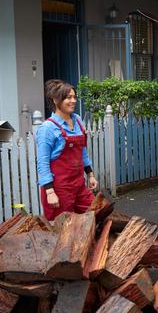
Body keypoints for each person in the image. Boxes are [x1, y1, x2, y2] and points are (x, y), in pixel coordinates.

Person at [37, 79, 98, 221]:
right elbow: (42, 163)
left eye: (74, 97)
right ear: (55, 100)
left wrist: (90, 174)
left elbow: (82, 150)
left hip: (79, 185)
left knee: (94, 214)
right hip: (59, 189)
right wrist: (50, 191)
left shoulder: (77, 120)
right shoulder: (48, 128)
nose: (73, 101)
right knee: (64, 229)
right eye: (68, 97)